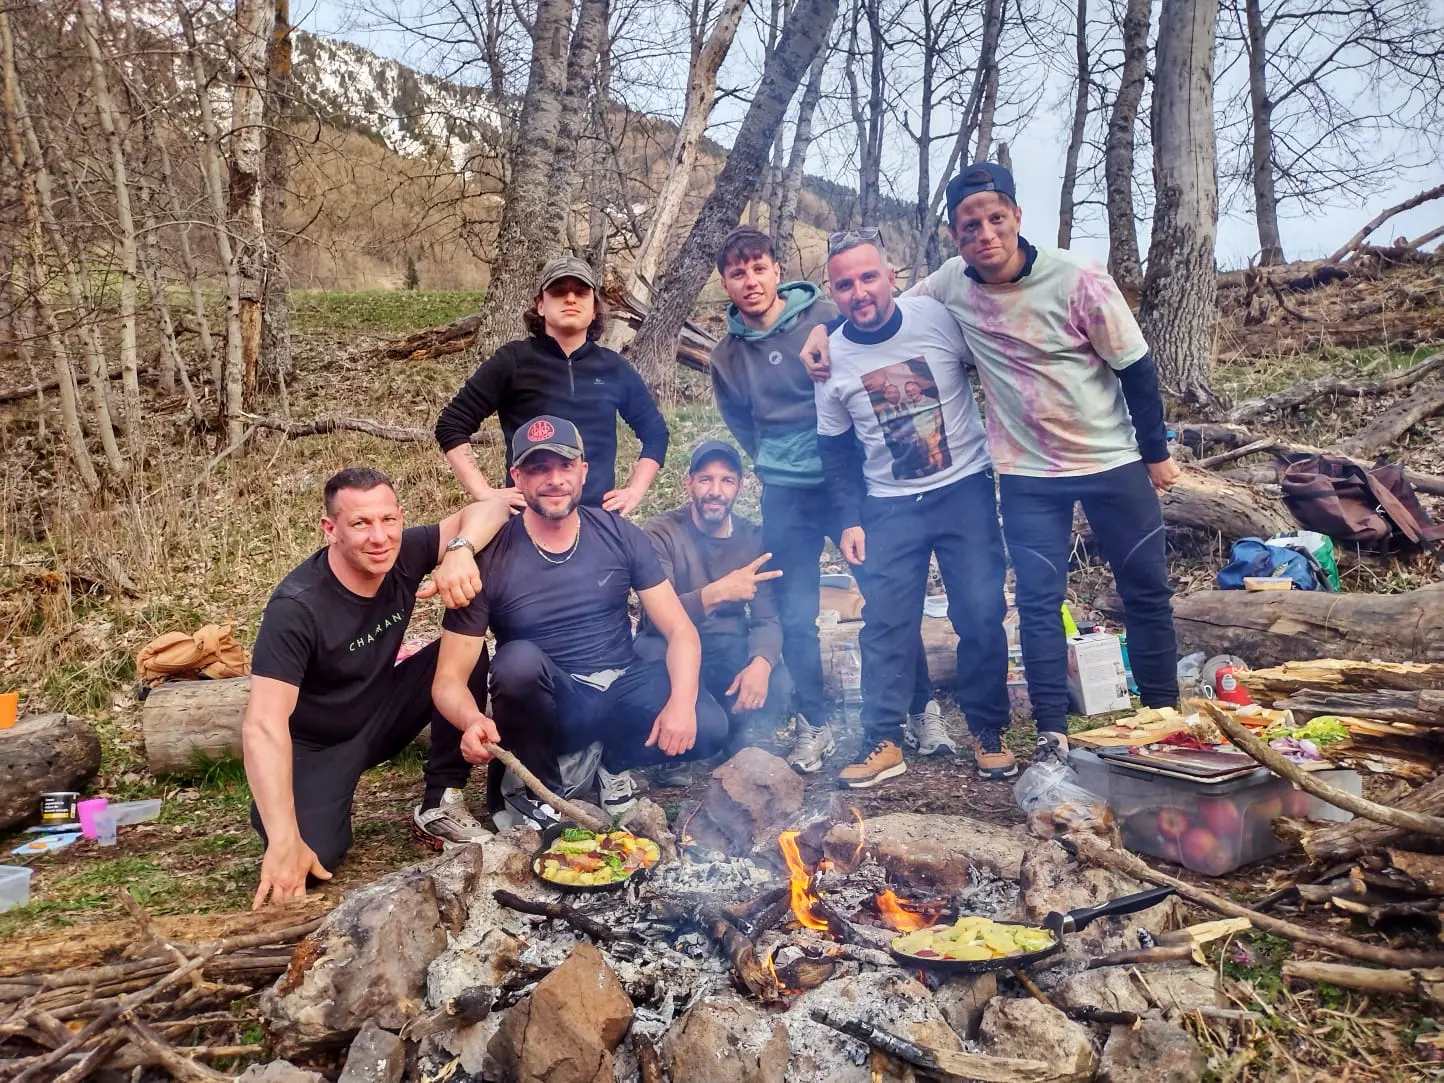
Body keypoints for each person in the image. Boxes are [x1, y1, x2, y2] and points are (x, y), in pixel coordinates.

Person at [803, 163, 1180, 769]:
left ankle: (1156, 716)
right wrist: (820, 331)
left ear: (1016, 218)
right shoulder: (946, 290)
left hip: (1084, 465)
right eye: (968, 224)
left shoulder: (1065, 279)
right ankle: (1040, 733)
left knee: (1130, 593)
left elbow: (1135, 365)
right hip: (1008, 478)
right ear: (954, 235)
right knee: (1023, 603)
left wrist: (1156, 452)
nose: (984, 233)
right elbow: (859, 338)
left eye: (995, 219)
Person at [709, 226, 941, 775]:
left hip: (850, 482)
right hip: (786, 494)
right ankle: (814, 725)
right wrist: (778, 459)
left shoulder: (827, 320)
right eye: (738, 273)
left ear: (777, 269)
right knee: (796, 615)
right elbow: (743, 426)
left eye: (759, 268)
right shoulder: (726, 357)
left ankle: (921, 709)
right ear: (725, 282)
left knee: (886, 599)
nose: (751, 281)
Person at [431, 415, 728, 825]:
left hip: (619, 687)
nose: (554, 479)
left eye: (565, 465)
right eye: (538, 468)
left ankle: (613, 763)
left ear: (583, 471)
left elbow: (680, 630)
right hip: (555, 704)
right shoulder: (489, 556)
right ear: (517, 476)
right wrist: (472, 720)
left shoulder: (618, 534)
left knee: (710, 722)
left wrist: (680, 704)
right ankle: (540, 790)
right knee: (516, 661)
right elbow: (447, 678)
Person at [245, 468, 511, 908]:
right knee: (316, 858)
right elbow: (262, 725)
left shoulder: (402, 552)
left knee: (463, 655)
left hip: (382, 710)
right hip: (316, 746)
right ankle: (299, 818)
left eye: (388, 520)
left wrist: (460, 552)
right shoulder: (297, 607)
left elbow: (493, 507)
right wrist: (284, 836)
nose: (379, 537)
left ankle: (439, 802)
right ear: (330, 529)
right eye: (360, 524)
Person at [815, 230, 1012, 787]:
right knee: (884, 624)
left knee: (978, 612)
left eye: (869, 277)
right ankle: (882, 739)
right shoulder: (831, 357)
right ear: (834, 292)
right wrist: (849, 518)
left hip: (962, 489)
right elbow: (834, 450)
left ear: (891, 276)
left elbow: (997, 366)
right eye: (845, 284)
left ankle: (988, 729)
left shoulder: (935, 318)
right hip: (888, 504)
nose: (860, 292)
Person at [435, 256, 669, 515]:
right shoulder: (513, 361)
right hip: (529, 519)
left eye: (581, 292)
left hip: (597, 520)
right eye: (558, 292)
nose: (570, 298)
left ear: (594, 310)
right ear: (541, 306)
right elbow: (451, 424)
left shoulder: (613, 368)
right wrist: (484, 492)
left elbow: (655, 432)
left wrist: (634, 491)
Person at [640, 440, 790, 775]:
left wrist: (762, 663)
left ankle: (730, 742)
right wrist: (717, 592)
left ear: (740, 486)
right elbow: (652, 620)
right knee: (651, 657)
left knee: (779, 680)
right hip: (669, 648)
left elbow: (767, 618)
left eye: (727, 481)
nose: (715, 491)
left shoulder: (753, 538)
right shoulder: (662, 532)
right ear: (688, 482)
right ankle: (678, 748)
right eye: (705, 479)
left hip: (725, 647)